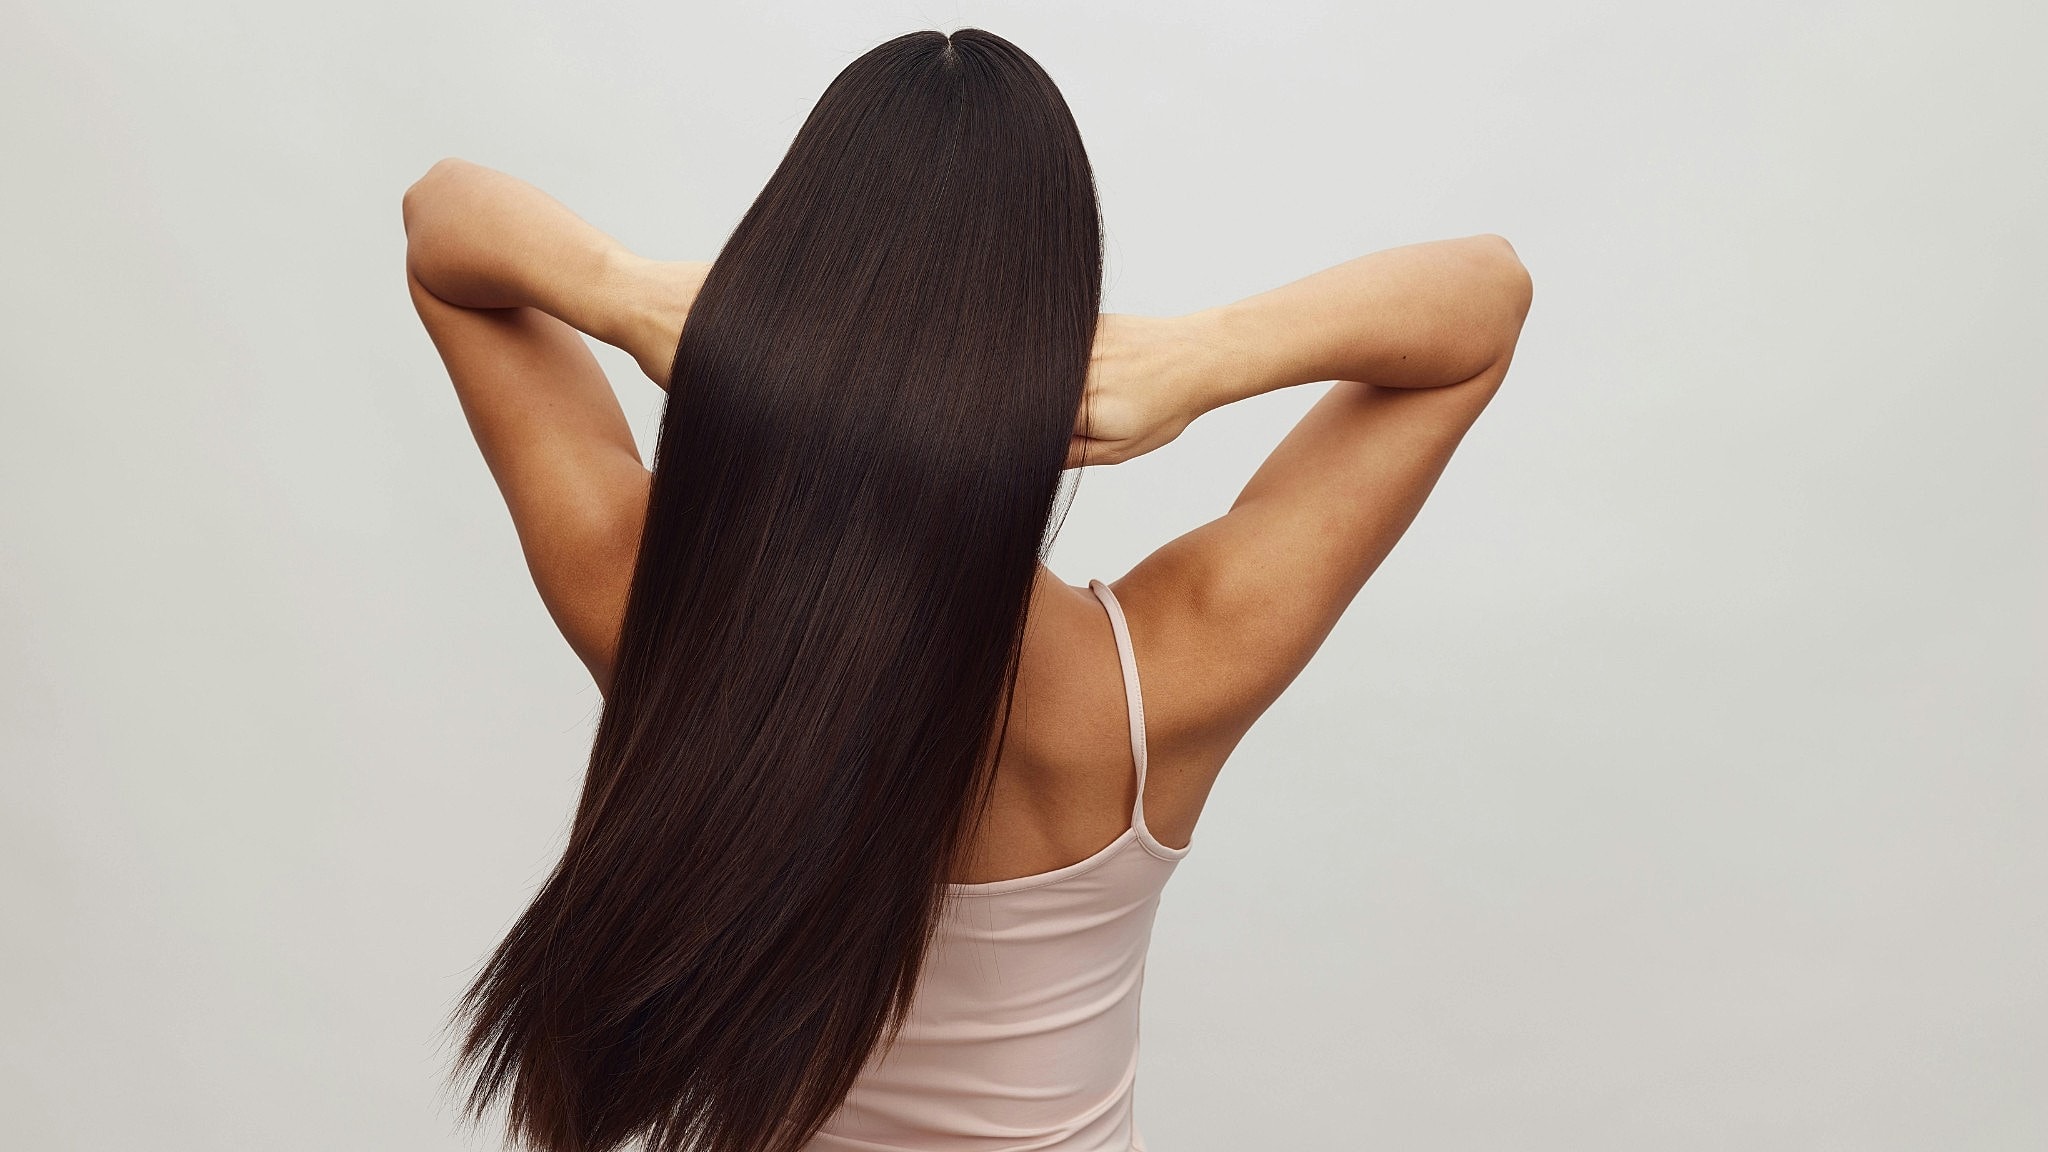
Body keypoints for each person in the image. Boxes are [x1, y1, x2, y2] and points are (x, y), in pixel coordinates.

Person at [401, 27, 1530, 1152]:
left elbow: (442, 224)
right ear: (1054, 333)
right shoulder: (1160, 681)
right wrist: (1204, 355)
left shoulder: (653, 611)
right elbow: (1483, 301)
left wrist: (632, 296)